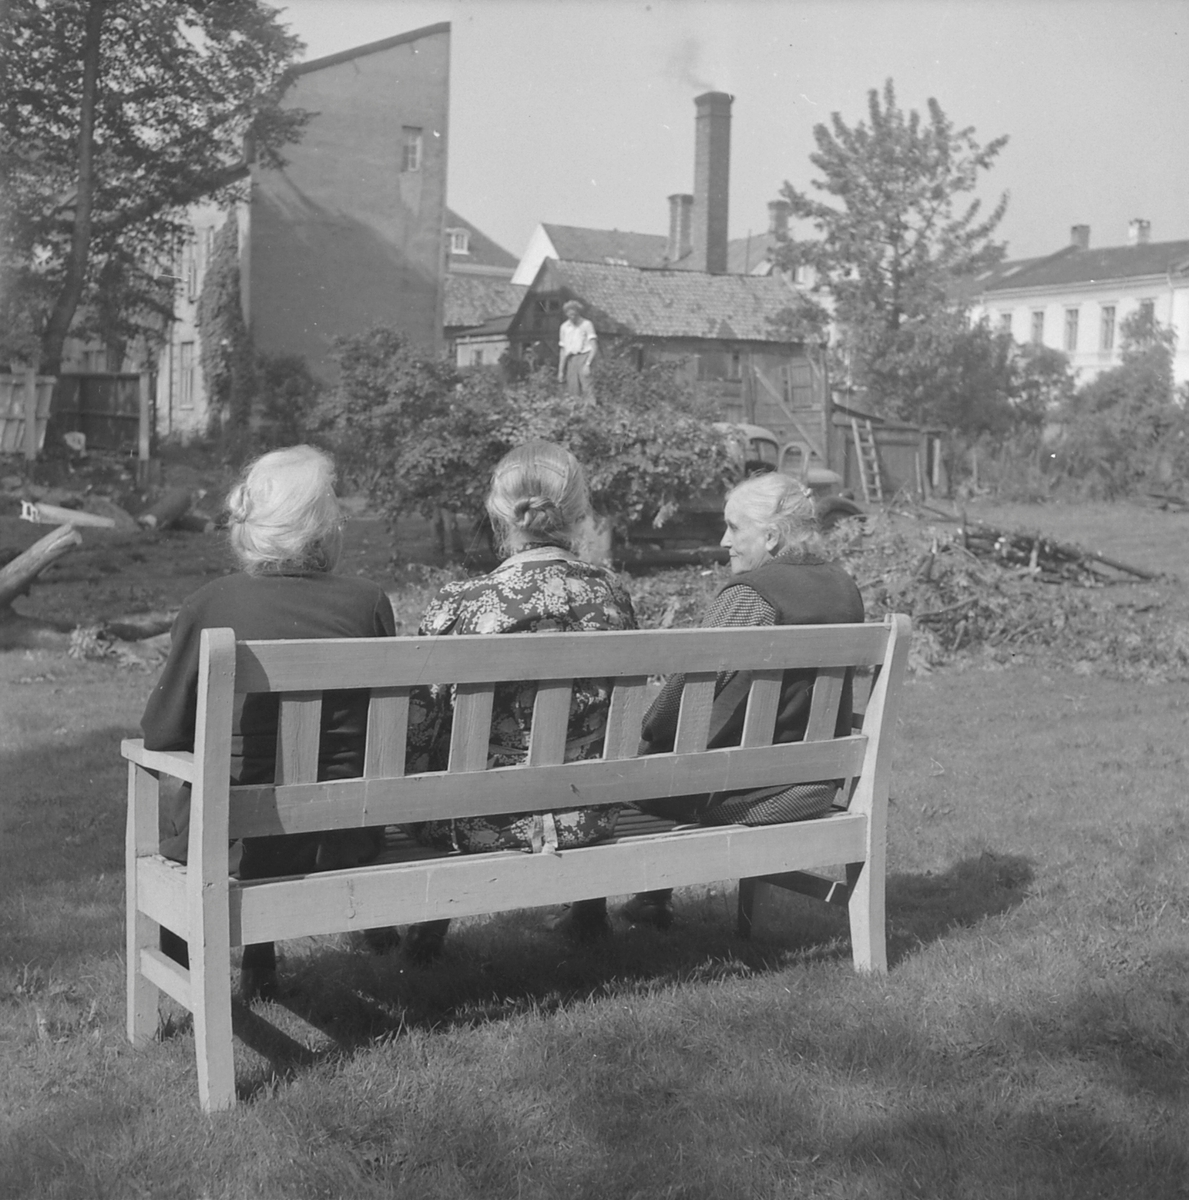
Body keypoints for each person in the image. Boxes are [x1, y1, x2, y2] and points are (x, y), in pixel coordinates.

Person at [141, 445, 397, 1000]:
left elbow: (161, 734)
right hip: (345, 835)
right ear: (323, 530)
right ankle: (358, 934)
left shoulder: (210, 603)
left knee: (195, 783)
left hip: (234, 845)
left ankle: (183, 956)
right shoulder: (368, 602)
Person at [403, 439, 636, 959]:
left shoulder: (463, 602)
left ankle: (427, 932)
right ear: (578, 511)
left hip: (479, 820)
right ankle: (589, 910)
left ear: (499, 512)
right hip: (590, 813)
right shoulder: (612, 593)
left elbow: (420, 725)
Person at [622, 471, 865, 930]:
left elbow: (680, 698)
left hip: (744, 795)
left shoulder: (751, 596)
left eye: (734, 528)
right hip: (814, 788)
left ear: (771, 536)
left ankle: (596, 915)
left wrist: (648, 733)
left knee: (633, 770)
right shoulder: (844, 587)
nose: (723, 540)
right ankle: (650, 902)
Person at [557, 300, 597, 399]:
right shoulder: (564, 327)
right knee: (572, 390)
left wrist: (588, 364)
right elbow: (563, 351)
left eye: (574, 314)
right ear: (566, 314)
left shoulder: (586, 324)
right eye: (570, 314)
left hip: (584, 357)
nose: (572, 317)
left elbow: (594, 346)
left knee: (587, 388)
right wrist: (560, 370)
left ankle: (591, 411)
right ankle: (575, 412)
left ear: (578, 312)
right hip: (571, 359)